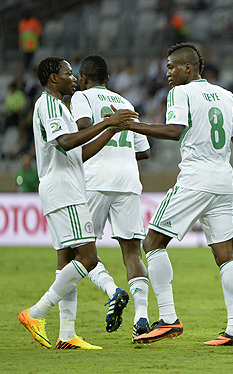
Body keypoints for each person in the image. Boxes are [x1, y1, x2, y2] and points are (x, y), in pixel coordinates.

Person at [126, 42, 233, 346]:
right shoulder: (226, 95)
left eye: (171, 67)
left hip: (195, 178)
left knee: (153, 242)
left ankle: (168, 318)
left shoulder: (180, 93)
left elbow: (174, 130)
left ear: (187, 68)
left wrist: (133, 126)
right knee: (225, 255)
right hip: (222, 179)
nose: (167, 73)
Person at [18, 57, 138, 349]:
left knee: (67, 261)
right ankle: (35, 313)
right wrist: (106, 121)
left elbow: (78, 154)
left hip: (67, 186)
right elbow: (67, 142)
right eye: (67, 74)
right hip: (64, 189)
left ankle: (67, 334)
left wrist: (110, 131)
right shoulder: (48, 104)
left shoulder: (62, 108)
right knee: (88, 258)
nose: (73, 79)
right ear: (52, 78)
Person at [71, 54, 152, 340]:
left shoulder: (81, 98)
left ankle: (111, 290)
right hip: (128, 180)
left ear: (83, 78)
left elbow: (82, 129)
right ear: (108, 79)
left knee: (79, 250)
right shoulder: (126, 103)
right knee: (132, 251)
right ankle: (142, 317)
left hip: (95, 179)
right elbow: (144, 151)